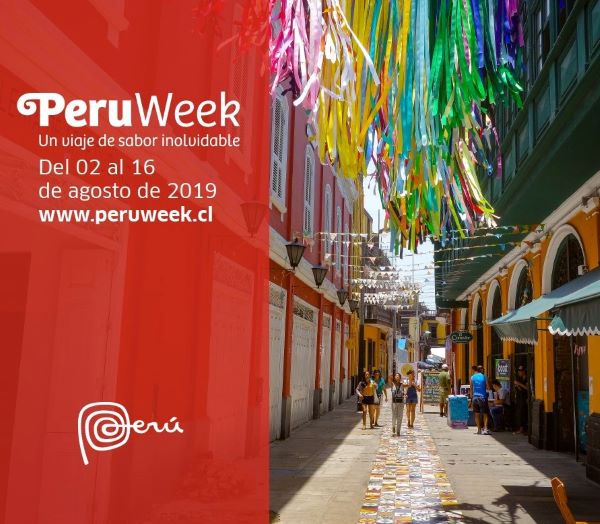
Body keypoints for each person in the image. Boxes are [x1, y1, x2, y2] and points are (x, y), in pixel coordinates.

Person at [470, 365, 490, 435]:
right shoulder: (484, 376)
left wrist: (471, 398)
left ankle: (479, 430)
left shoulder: (472, 377)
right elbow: (488, 387)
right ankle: (485, 429)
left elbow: (471, 388)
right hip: (482, 397)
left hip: (475, 397)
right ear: (481, 370)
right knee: (485, 414)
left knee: (477, 414)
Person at [513, 365, 529, 435]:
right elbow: (521, 390)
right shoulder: (519, 378)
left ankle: (523, 429)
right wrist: (517, 386)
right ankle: (521, 429)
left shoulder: (527, 378)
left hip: (526, 399)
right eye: (518, 370)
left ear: (524, 371)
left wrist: (519, 384)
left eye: (520, 370)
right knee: (520, 414)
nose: (519, 372)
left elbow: (527, 388)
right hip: (520, 398)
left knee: (524, 414)